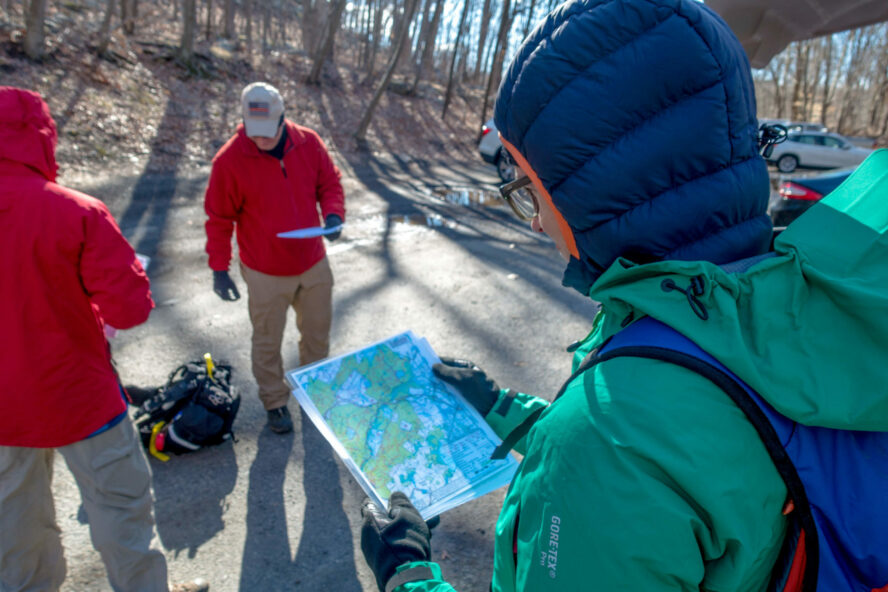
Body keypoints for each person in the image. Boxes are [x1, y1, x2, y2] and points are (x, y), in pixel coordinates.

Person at [358, 0, 888, 590]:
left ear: (590, 191)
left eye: (530, 190)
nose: (536, 224)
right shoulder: (791, 301)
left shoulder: (609, 433)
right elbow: (680, 457)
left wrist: (407, 573)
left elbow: (629, 454)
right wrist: (501, 409)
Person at [0, 87, 208, 592]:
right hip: (81, 397)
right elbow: (129, 308)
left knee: (13, 527)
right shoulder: (77, 212)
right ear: (42, 139)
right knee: (121, 512)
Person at [204, 81, 346, 435]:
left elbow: (330, 183)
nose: (262, 140)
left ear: (283, 118)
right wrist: (219, 269)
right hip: (265, 268)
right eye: (256, 133)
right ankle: (275, 403)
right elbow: (219, 219)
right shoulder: (229, 160)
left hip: (312, 262)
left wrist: (333, 215)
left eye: (269, 132)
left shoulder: (308, 143)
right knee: (266, 339)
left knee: (317, 334)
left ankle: (315, 393)